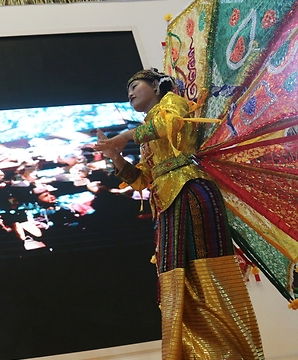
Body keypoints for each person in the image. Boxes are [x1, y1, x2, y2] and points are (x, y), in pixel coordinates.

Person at [95, 68, 264, 359]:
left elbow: (166, 124)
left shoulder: (172, 103)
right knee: (178, 280)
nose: (130, 93)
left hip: (191, 191)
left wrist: (124, 135)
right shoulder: (147, 130)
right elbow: (142, 180)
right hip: (168, 202)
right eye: (128, 92)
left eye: (135, 86)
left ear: (157, 86)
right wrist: (116, 156)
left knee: (205, 273)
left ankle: (231, 353)